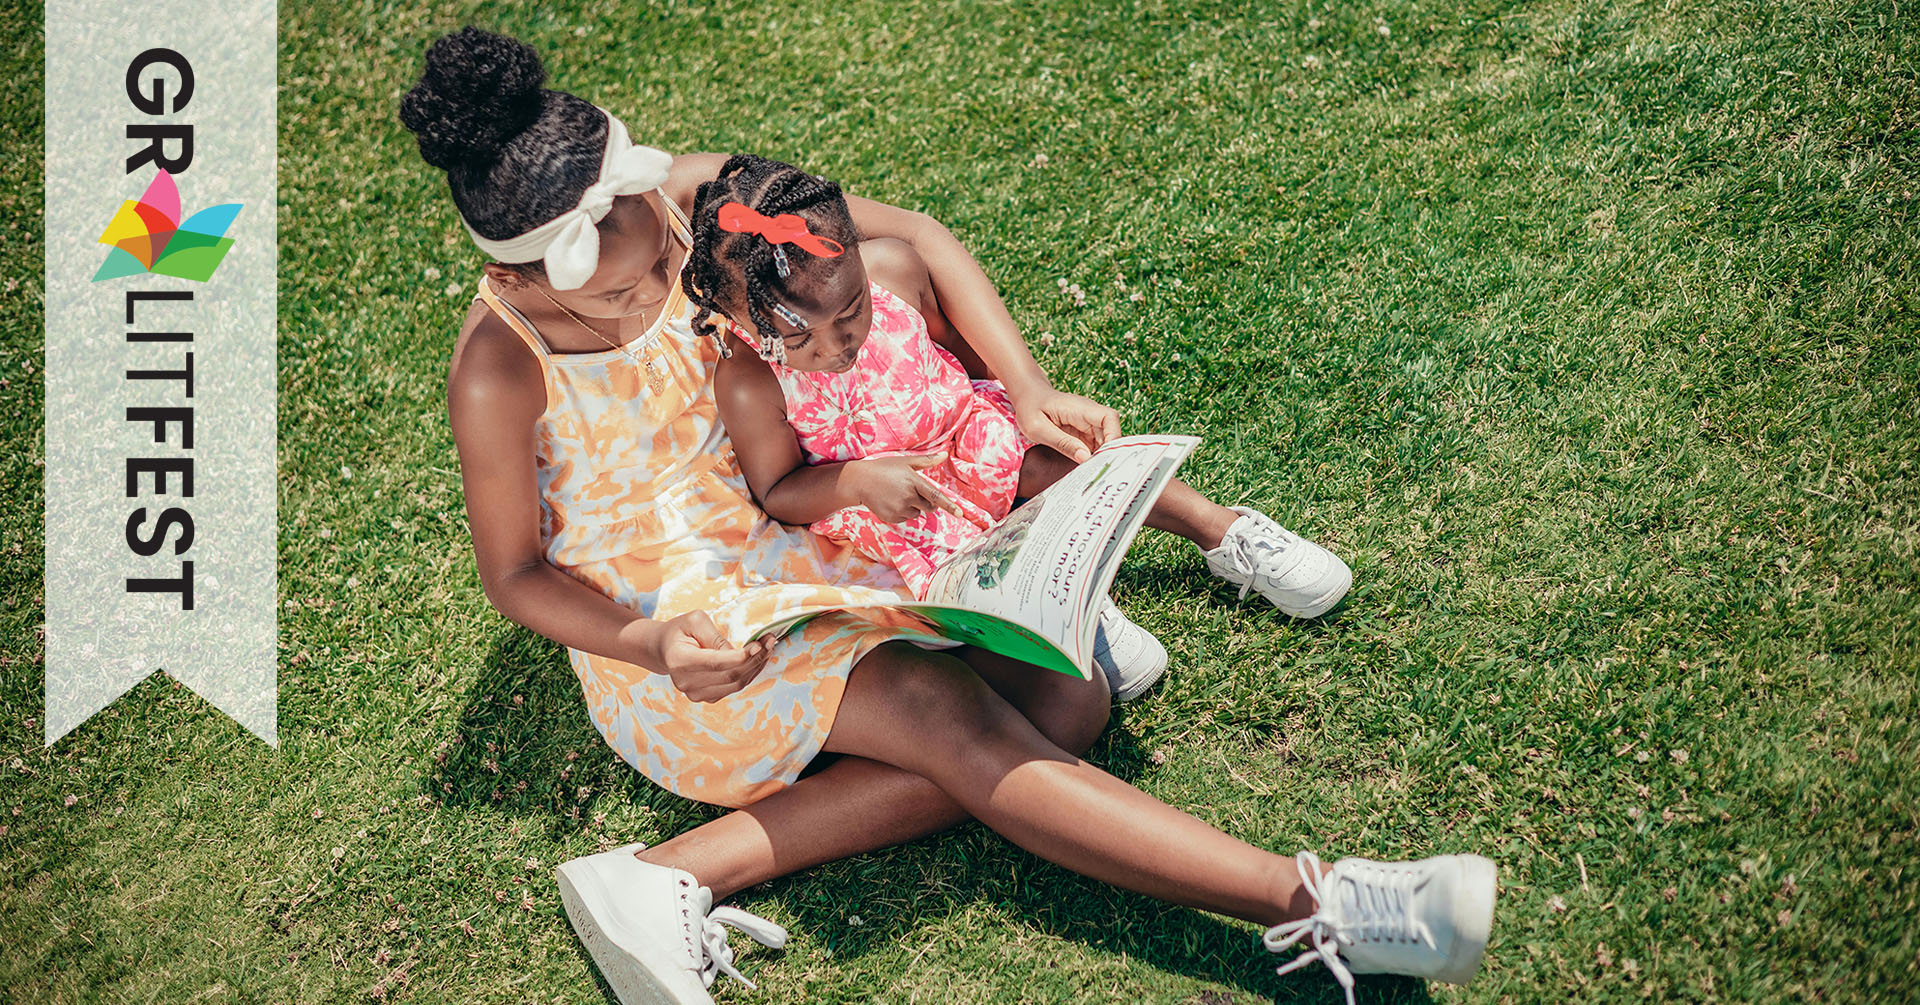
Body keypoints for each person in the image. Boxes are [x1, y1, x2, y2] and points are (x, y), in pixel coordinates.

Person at [399, 26, 1497, 1005]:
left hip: (811, 540)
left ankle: (678, 869)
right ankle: (1322, 905)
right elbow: (517, 578)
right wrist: (651, 641)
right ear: (536, 275)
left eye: (659, 269)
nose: (651, 298)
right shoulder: (499, 366)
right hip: (680, 627)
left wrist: (1023, 393)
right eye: (612, 295)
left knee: (1073, 705)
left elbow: (910, 236)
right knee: (947, 719)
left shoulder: (691, 203)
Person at [680, 153, 1353, 702]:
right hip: (896, 507)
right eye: (802, 339)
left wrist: (1025, 395)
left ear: (860, 256)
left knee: (1052, 459)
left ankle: (1222, 529)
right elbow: (779, 490)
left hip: (964, 430)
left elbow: (959, 356)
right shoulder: (747, 380)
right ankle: (1073, 605)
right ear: (737, 319)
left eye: (852, 310)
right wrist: (856, 482)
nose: (839, 343)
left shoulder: (894, 272)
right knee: (967, 570)